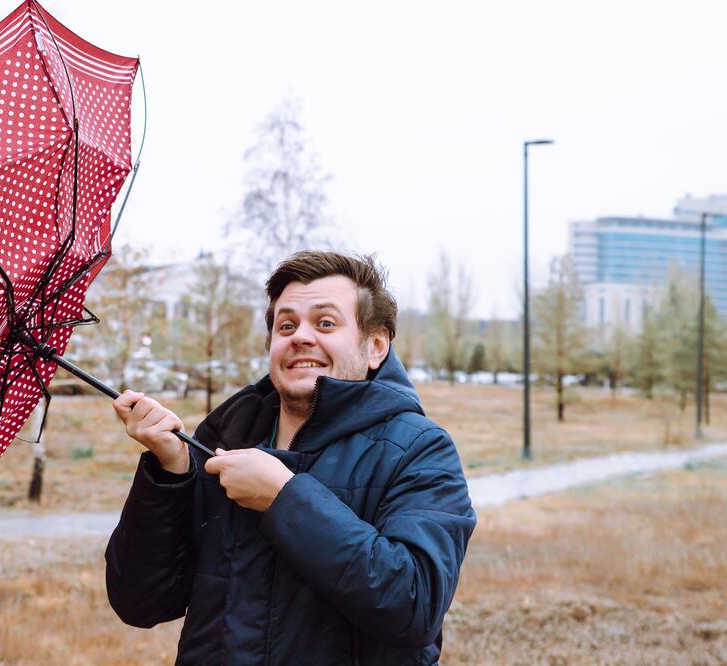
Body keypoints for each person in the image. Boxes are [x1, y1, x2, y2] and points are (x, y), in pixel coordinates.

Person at [105, 251, 476, 665]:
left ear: (375, 346)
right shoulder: (224, 437)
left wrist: (284, 498)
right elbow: (139, 601)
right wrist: (171, 472)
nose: (300, 336)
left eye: (325, 323)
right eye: (286, 325)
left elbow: (415, 604)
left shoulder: (420, 451)